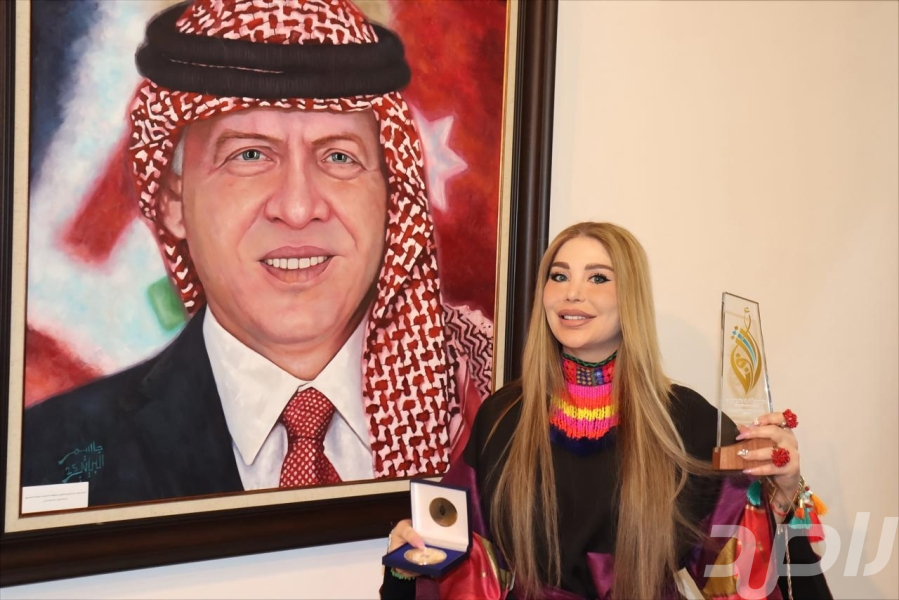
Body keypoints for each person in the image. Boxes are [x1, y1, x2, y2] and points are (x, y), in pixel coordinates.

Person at [21, 0, 491, 507]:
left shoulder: (484, 420)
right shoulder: (46, 457)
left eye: (339, 156)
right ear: (173, 200)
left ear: (390, 195)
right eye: (249, 155)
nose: (298, 208)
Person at [383, 222, 831, 599]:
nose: (572, 294)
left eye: (598, 278)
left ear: (630, 296)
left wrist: (784, 497)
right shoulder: (502, 416)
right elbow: (462, 561)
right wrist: (409, 563)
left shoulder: (690, 422)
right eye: (559, 276)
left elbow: (742, 574)